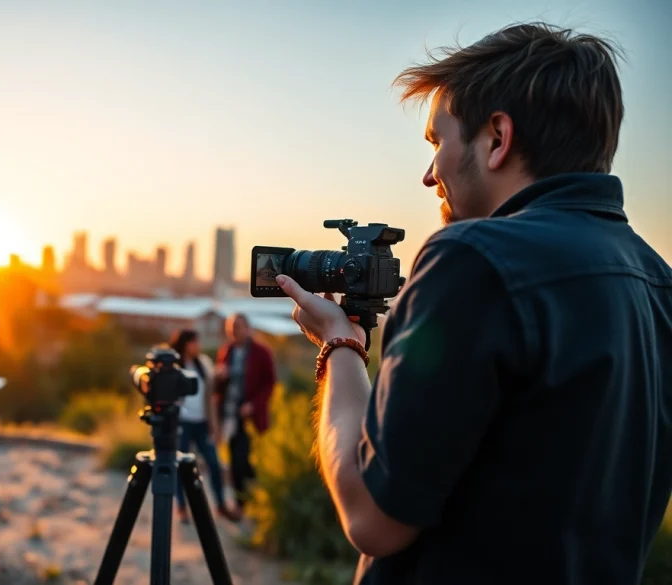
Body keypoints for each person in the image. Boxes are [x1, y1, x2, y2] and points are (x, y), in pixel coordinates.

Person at [276, 22, 672, 585]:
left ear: (497, 138)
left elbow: (372, 517)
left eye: (438, 141)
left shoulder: (475, 259)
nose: (429, 173)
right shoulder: (658, 282)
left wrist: (340, 346)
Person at [168, 329, 240, 524]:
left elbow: (211, 397)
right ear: (186, 343)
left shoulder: (203, 364)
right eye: (195, 342)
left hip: (201, 423)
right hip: (182, 423)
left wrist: (214, 426)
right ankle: (181, 507)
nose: (197, 346)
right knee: (181, 466)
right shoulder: (173, 366)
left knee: (214, 465)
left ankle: (220, 504)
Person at [212, 313, 276, 514]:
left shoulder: (261, 352)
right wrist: (220, 376)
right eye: (231, 328)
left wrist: (254, 405)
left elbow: (270, 383)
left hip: (250, 417)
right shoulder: (226, 351)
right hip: (230, 415)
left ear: (248, 328)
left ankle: (253, 501)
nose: (234, 331)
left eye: (238, 327)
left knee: (245, 462)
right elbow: (219, 385)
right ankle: (242, 504)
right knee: (234, 461)